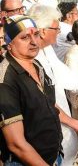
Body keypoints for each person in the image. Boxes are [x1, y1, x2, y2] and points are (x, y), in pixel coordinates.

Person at [28, 5, 78, 165]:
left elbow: (63, 73)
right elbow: (43, 99)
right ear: (42, 31)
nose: (59, 32)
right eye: (56, 28)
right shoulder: (30, 58)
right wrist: (71, 122)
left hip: (62, 116)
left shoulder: (47, 49)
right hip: (48, 125)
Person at [0, 15, 63, 165]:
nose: (34, 42)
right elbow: (16, 145)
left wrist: (74, 123)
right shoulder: (5, 81)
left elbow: (48, 103)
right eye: (24, 37)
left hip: (53, 156)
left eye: (35, 34)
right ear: (9, 44)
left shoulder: (36, 65)